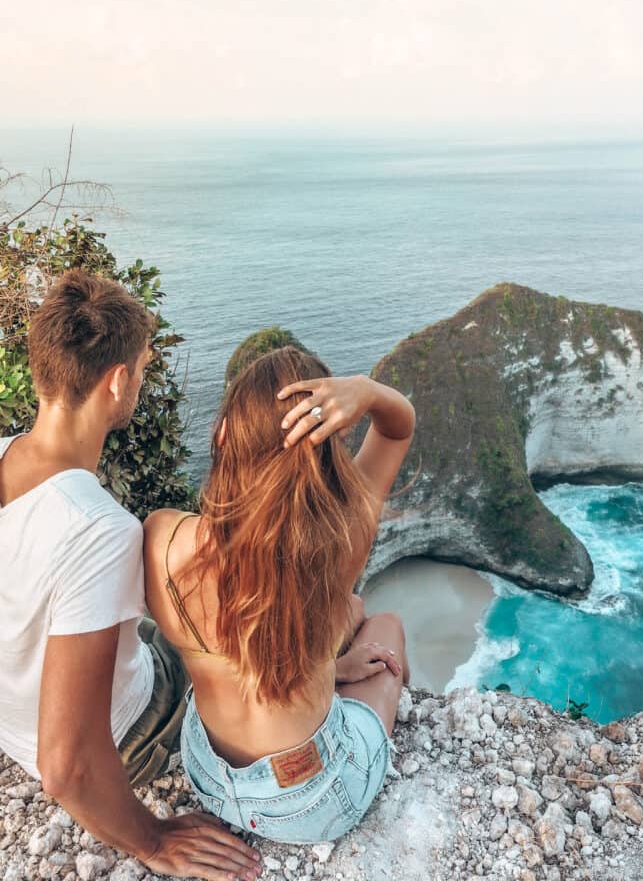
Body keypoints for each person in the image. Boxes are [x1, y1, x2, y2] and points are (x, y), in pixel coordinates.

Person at [0, 269, 262, 881]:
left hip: (13, 721)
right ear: (118, 382)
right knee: (224, 631)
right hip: (133, 735)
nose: (142, 379)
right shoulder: (97, 529)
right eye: (143, 368)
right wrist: (151, 841)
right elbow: (66, 765)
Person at [142, 346, 415, 843]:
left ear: (222, 436)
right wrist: (368, 390)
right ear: (331, 449)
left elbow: (246, 643)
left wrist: (330, 666)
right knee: (384, 625)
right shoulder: (344, 538)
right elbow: (398, 427)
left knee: (346, 609)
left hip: (208, 775)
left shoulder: (162, 538)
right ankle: (344, 683)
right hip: (308, 800)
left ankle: (327, 670)